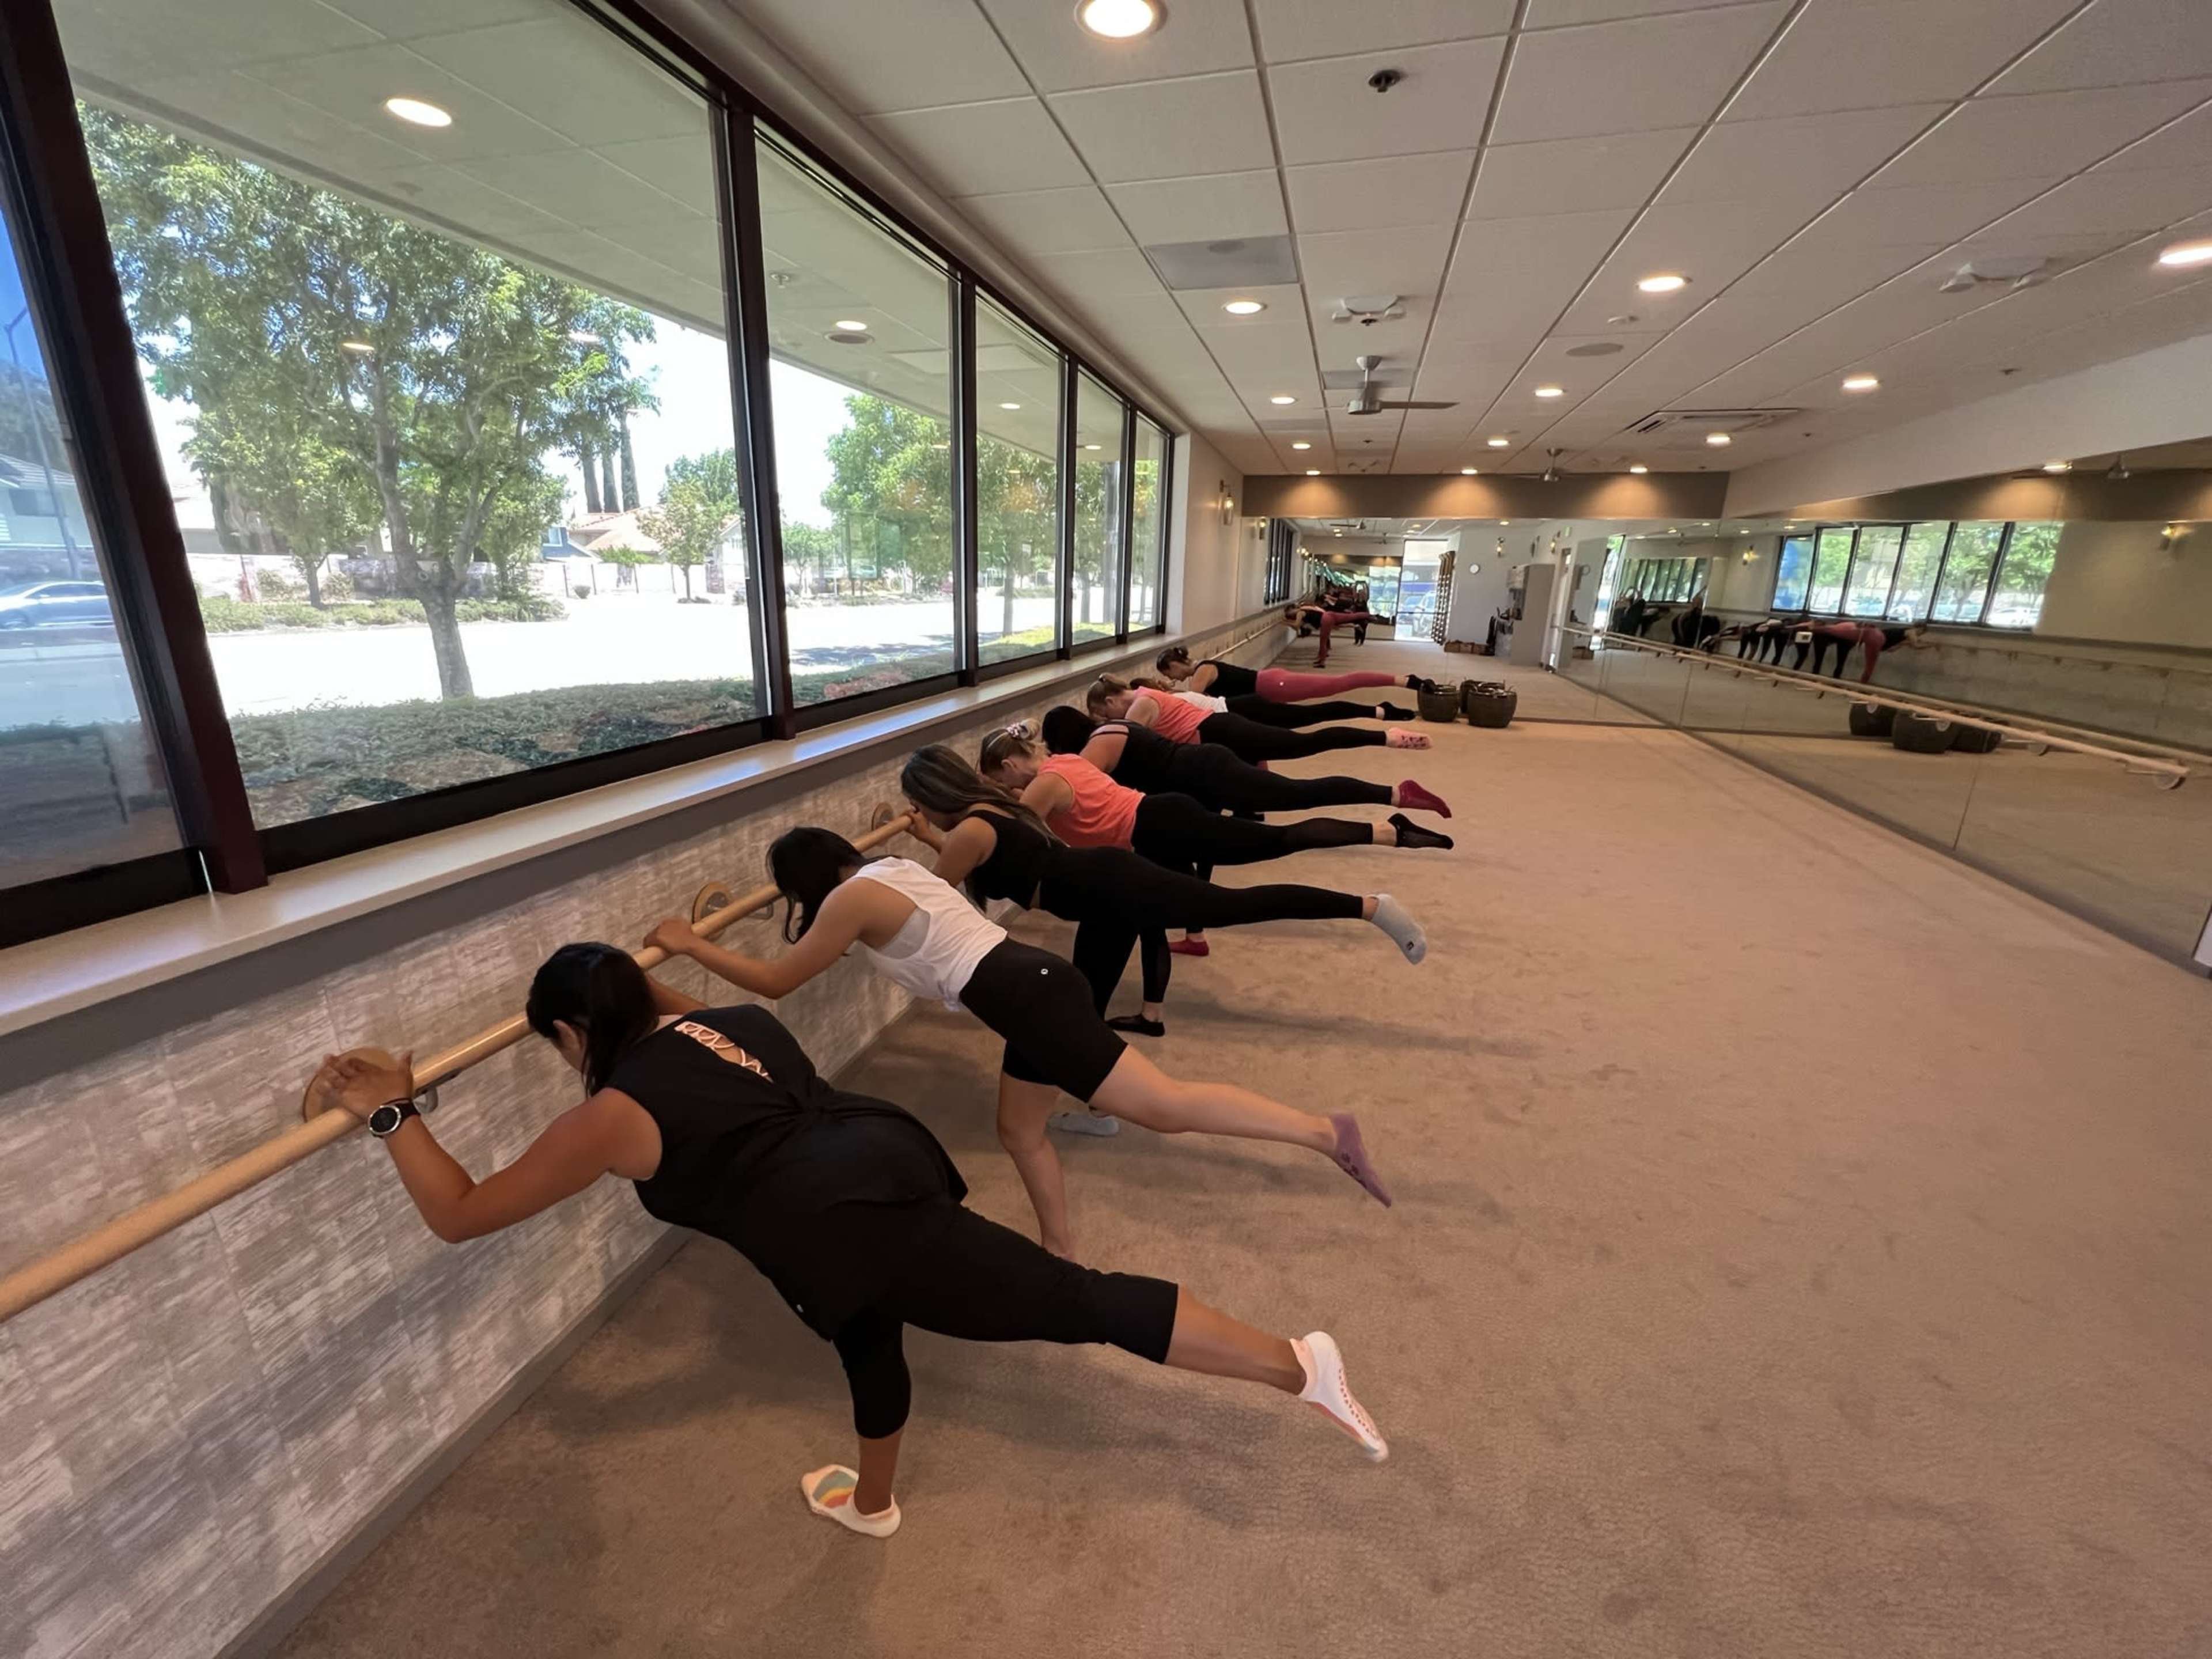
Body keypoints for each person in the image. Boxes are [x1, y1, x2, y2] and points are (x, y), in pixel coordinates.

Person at [306, 949, 1387, 1544]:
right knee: (866, 1335)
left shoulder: (611, 1116)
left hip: (847, 1220)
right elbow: (666, 1010)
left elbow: (460, 1212)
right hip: (861, 1181)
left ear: (570, 1036)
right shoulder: (730, 1025)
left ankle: (1298, 1365)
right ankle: (873, 1502)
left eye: (560, 1043)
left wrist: (394, 1112)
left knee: (1080, 1302)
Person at [643, 829, 1393, 1261]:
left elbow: (778, 982)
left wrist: (688, 944)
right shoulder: (891, 870)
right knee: (1019, 1130)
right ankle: (1060, 1253)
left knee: (1164, 1108)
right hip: (1026, 986)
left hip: (1027, 996)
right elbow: (846, 945)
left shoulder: (851, 901)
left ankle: (1324, 1132)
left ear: (804, 883)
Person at [899, 745, 1426, 1041]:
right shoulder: (989, 811)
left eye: (919, 804)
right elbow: (966, 861)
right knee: (1084, 1003)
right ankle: (1100, 1107)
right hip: (1100, 897)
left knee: (1238, 905)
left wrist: (870, 888)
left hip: (1111, 887)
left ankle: (1370, 907)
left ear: (932, 795)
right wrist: (925, 836)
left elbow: (931, 897)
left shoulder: (973, 828)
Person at [1039, 706, 1451, 820]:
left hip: (1209, 770)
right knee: (1205, 840)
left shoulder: (1100, 744)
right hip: (1202, 773)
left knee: (1299, 792)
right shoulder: (1114, 728)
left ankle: (1394, 791)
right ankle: (1195, 932)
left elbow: (1080, 785)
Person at [1087, 674, 1430, 766]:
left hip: (1226, 725)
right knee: (1301, 740)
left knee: (1304, 741)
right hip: (1222, 729)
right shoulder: (1145, 694)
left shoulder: (1141, 705)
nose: (1108, 721)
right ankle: (1383, 729)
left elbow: (1128, 744)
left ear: (1111, 701)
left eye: (1105, 715)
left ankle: (1385, 734)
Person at [1155, 645, 1433, 703]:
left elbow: (1193, 699)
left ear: (1176, 664)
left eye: (1170, 673)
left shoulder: (1202, 670)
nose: (1173, 678)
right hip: (1270, 686)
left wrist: (1165, 693)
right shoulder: (1201, 670)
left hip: (1274, 685)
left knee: (1340, 683)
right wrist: (1169, 691)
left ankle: (1405, 680)